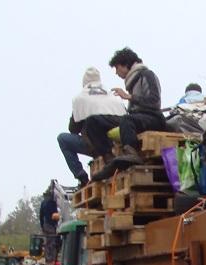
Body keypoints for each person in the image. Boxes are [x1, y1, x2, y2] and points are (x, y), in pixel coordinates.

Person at [87, 47, 166, 180]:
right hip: (135, 118)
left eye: (117, 68)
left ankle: (132, 154)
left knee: (126, 120)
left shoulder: (146, 75)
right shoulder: (131, 82)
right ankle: (109, 159)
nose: (117, 73)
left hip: (153, 118)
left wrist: (129, 97)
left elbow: (154, 101)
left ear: (125, 64)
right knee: (93, 122)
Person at [57, 66, 127, 187]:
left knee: (63, 139)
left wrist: (78, 114)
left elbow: (73, 129)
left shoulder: (81, 98)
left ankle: (81, 176)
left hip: (94, 145)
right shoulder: (112, 96)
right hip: (117, 142)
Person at [39, 184, 59, 265]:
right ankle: (51, 260)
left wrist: (42, 226)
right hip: (50, 225)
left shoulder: (43, 203)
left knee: (47, 242)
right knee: (52, 242)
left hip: (45, 224)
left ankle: (48, 258)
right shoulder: (52, 203)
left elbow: (40, 216)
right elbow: (55, 215)